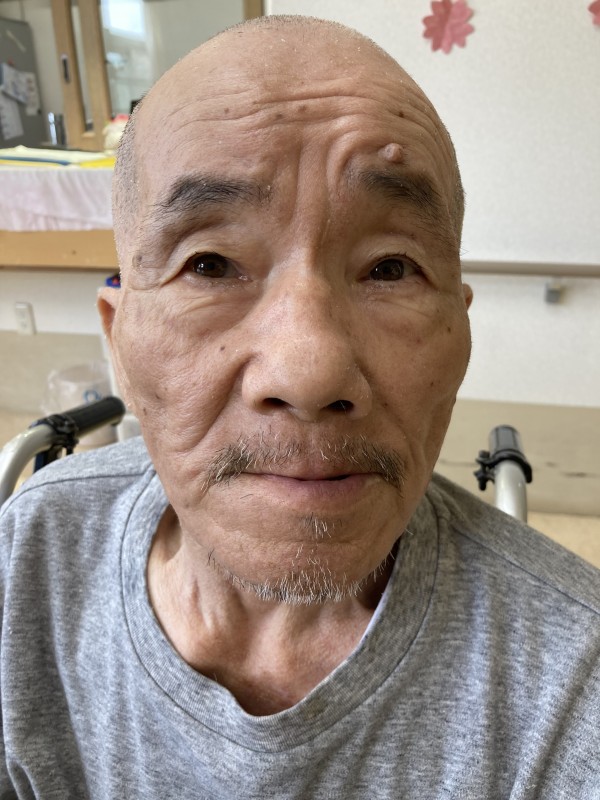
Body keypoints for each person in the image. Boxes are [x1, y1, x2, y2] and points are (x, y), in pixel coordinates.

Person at [1, 14, 598, 799]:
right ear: (120, 340)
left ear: (461, 332)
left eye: (390, 268)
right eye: (210, 264)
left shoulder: (574, 691)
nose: (310, 371)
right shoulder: (29, 563)